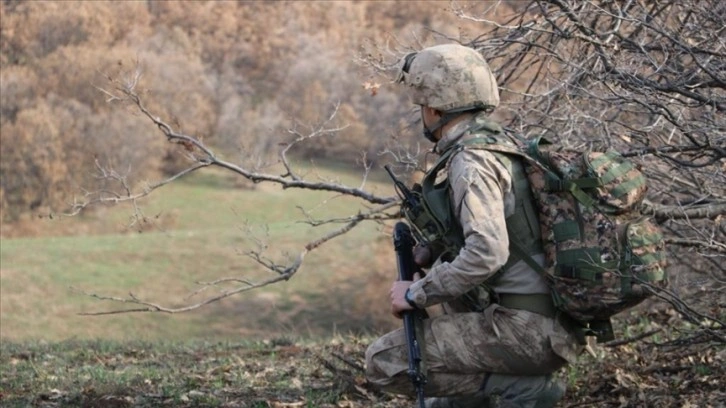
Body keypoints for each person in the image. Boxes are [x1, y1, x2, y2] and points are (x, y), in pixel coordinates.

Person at [365, 44, 583, 408]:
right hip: (553, 322)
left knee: (385, 361)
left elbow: (487, 253)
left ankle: (524, 391)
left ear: (434, 108)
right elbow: (516, 232)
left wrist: (416, 294)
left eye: (421, 107)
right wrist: (432, 251)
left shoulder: (472, 162)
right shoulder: (505, 144)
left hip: (526, 331)